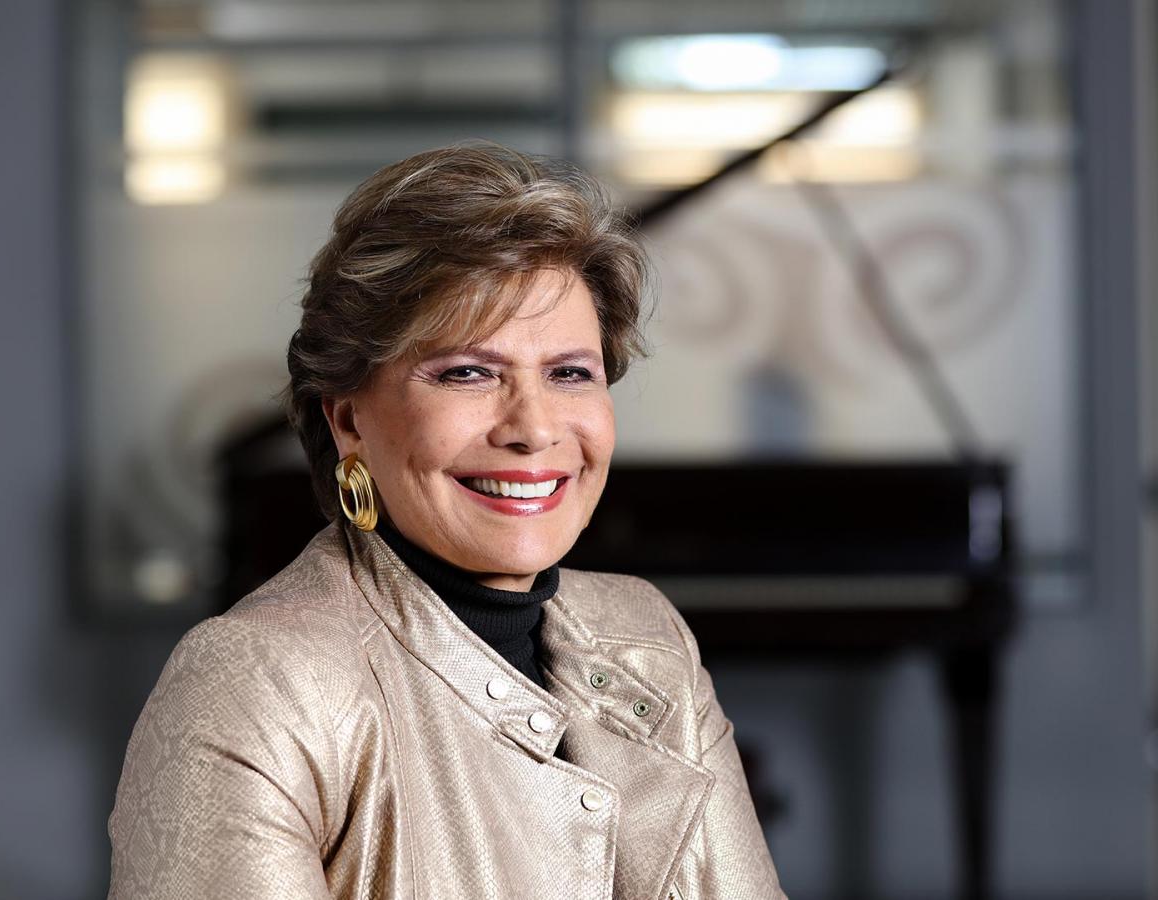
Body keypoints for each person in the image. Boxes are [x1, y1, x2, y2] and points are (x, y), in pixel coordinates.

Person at [107, 143, 785, 900]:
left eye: (569, 373)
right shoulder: (257, 681)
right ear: (348, 420)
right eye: (468, 373)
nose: (534, 428)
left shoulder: (645, 636)